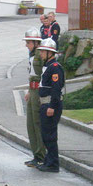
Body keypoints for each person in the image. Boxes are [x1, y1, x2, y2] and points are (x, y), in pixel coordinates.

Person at [36, 37, 65, 173]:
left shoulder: (55, 68)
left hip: (50, 105)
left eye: (43, 51)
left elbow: (56, 88)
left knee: (50, 135)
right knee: (46, 134)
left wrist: (52, 107)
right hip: (45, 104)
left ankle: (53, 163)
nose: (41, 54)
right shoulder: (47, 66)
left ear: (50, 53)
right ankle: (49, 160)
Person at [22, 28, 46, 167]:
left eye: (28, 42)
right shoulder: (32, 54)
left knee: (37, 123)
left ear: (35, 43)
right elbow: (32, 74)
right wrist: (29, 91)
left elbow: (43, 74)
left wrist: (39, 94)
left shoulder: (40, 54)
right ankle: (36, 155)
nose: (26, 45)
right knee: (30, 124)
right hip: (33, 89)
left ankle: (41, 155)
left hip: (39, 90)